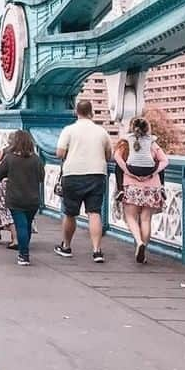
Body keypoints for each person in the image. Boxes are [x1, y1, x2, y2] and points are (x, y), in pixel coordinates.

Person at [54, 100, 113, 263]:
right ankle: (97, 251)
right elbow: (109, 155)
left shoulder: (69, 130)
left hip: (73, 174)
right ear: (91, 112)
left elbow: (59, 153)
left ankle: (66, 246)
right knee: (94, 213)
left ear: (76, 112)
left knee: (70, 213)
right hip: (96, 174)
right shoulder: (101, 132)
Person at [114, 115, 169, 264]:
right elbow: (165, 161)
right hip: (152, 187)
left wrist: (129, 171)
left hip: (131, 186)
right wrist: (153, 172)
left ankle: (139, 242)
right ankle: (143, 253)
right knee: (146, 219)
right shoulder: (152, 143)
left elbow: (117, 159)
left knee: (131, 217)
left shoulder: (125, 143)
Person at [0, 130, 45, 265]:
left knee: (21, 225)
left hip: (15, 198)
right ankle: (24, 249)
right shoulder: (36, 159)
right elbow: (42, 177)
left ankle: (24, 254)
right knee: (27, 225)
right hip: (33, 199)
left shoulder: (10, 158)